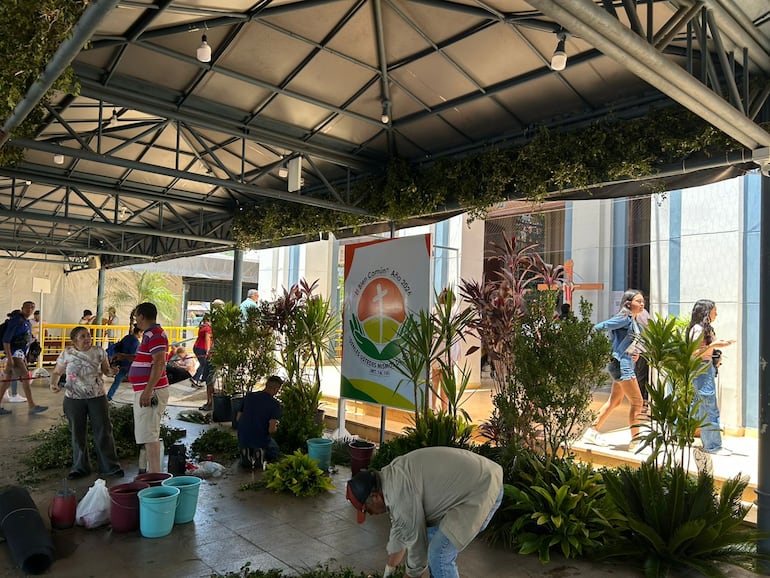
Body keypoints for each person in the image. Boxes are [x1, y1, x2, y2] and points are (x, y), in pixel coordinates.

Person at [346, 447, 503, 578]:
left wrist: (411, 574)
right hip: (479, 479)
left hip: (481, 489)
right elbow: (401, 530)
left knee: (438, 554)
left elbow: (417, 557)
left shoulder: (399, 497)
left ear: (375, 496)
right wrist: (390, 570)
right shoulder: (391, 480)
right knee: (428, 541)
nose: (371, 515)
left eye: (368, 511)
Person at [49, 326, 123, 480]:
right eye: (82, 336)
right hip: (73, 399)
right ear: (74, 340)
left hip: (97, 397)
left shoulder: (99, 352)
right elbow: (56, 372)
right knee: (77, 433)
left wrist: (112, 372)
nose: (87, 339)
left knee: (103, 431)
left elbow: (106, 370)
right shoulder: (67, 353)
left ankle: (109, 467)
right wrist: (53, 384)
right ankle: (80, 467)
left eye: (88, 335)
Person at [582, 289, 646, 450]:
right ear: (629, 303)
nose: (642, 303)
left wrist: (633, 353)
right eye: (639, 301)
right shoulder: (624, 317)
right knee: (637, 402)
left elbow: (625, 341)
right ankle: (636, 441)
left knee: (615, 401)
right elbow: (599, 327)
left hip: (624, 362)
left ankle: (592, 430)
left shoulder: (632, 320)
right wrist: (606, 350)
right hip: (622, 365)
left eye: (643, 301)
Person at [688, 299, 735, 456]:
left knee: (699, 405)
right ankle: (712, 445)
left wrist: (718, 349)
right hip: (701, 369)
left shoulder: (705, 329)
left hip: (706, 368)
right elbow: (693, 353)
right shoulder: (697, 329)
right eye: (714, 310)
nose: (716, 313)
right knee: (709, 407)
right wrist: (714, 346)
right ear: (706, 312)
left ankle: (680, 433)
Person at [128, 302, 170, 473]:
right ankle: (152, 472)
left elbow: (159, 363)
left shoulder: (155, 334)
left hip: (151, 391)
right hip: (147, 390)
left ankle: (155, 475)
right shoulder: (149, 334)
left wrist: (147, 391)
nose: (135, 320)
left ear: (142, 317)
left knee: (150, 435)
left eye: (136, 316)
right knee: (147, 434)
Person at [1, 301, 47, 415]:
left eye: (32, 307)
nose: (30, 309)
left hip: (19, 355)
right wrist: (11, 358)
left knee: (6, 381)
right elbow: (6, 340)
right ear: (22, 308)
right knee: (25, 377)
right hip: (15, 355)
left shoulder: (26, 322)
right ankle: (32, 405)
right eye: (27, 307)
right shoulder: (17, 321)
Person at [237, 375, 283, 467]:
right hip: (260, 437)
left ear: (266, 385)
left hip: (242, 435)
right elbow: (271, 430)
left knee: (248, 438)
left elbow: (238, 418)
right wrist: (277, 426)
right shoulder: (275, 404)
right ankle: (260, 452)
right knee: (275, 451)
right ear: (276, 389)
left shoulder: (249, 396)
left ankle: (247, 450)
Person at [200, 298, 225, 412]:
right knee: (209, 379)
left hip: (216, 354)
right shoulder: (219, 320)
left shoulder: (221, 321)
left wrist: (210, 352)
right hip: (215, 353)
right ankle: (210, 402)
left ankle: (210, 402)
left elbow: (218, 340)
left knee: (210, 379)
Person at [107, 324, 142, 401]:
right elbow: (134, 356)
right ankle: (140, 396)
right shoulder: (136, 342)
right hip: (129, 364)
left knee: (117, 381)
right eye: (142, 333)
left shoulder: (127, 337)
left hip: (121, 362)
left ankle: (109, 396)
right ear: (139, 332)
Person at [191, 313, 212, 388]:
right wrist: (208, 350)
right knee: (204, 364)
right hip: (202, 348)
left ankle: (197, 378)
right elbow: (207, 339)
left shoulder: (202, 326)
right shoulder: (208, 328)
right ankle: (195, 379)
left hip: (197, 347)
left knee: (203, 364)